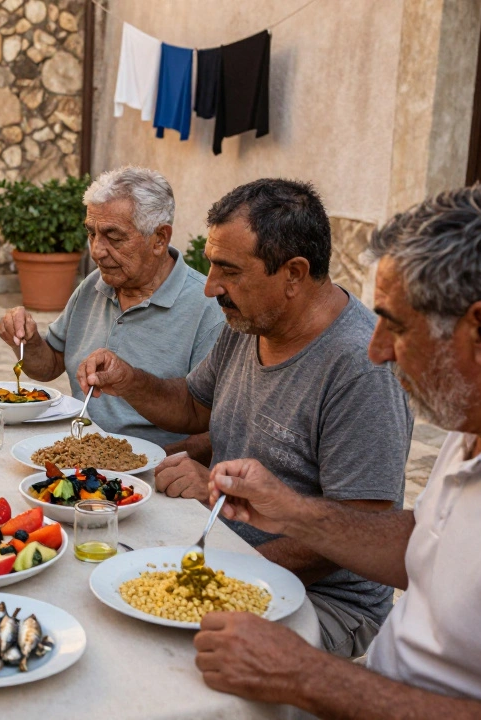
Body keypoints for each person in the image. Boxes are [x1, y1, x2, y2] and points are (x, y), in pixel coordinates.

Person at [194, 183, 481, 718]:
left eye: (395, 327)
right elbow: (429, 545)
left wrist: (303, 674)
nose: (376, 350)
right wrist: (297, 512)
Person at [78, 178, 412, 657]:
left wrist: (214, 571)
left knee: (155, 658)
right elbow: (194, 406)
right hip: (224, 548)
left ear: (294, 274)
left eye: (227, 270)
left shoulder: (360, 367)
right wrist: (129, 379)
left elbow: (359, 531)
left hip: (325, 600)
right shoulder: (250, 321)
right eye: (212, 264)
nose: (211, 286)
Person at [0, 166, 223, 457]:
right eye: (91, 233)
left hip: (153, 469)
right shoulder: (95, 283)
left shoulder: (208, 309)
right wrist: (27, 342)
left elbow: (217, 426)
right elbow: (50, 364)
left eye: (113, 236)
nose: (96, 251)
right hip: (78, 451)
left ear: (159, 239)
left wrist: (144, 461)